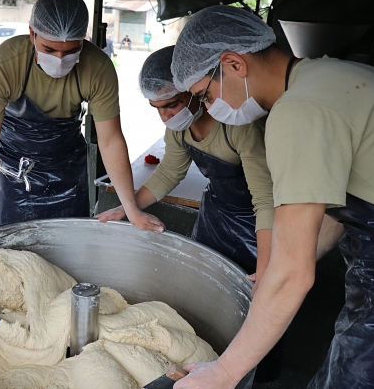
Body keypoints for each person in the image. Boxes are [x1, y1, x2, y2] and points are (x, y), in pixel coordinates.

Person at [169, 5, 374, 389]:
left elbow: (295, 276)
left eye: (205, 95)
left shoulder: (299, 111)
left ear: (233, 63)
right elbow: (334, 211)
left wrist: (224, 373)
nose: (208, 109)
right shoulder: (330, 77)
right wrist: (274, 268)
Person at [0, 0, 163, 252]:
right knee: (14, 256)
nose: (60, 60)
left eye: (71, 51)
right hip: (14, 170)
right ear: (32, 34)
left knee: (70, 253)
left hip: (67, 170)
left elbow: (111, 139)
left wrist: (132, 209)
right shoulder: (4, 64)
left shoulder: (97, 68)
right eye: (49, 49)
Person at [97, 45, 274, 279]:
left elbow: (265, 201)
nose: (166, 117)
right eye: (157, 108)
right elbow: (169, 173)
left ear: (195, 89)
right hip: (215, 216)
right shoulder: (179, 129)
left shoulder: (238, 125)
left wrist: (266, 267)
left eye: (172, 104)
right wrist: (128, 208)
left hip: (259, 223)